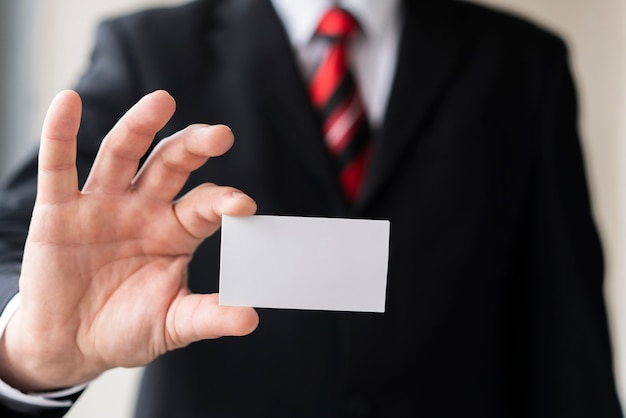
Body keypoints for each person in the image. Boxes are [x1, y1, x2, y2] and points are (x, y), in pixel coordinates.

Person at [0, 0, 623, 417]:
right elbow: (21, 241)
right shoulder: (150, 47)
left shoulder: (520, 63)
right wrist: (30, 352)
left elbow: (564, 320)